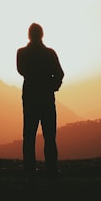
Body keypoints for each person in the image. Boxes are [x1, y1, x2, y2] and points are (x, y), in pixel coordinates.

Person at [16, 22, 64, 176]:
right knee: (49, 137)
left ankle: (29, 169)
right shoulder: (49, 53)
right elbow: (59, 74)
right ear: (42, 35)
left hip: (30, 98)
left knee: (29, 136)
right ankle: (51, 169)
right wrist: (51, 86)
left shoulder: (22, 53)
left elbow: (21, 70)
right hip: (46, 99)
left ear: (29, 35)